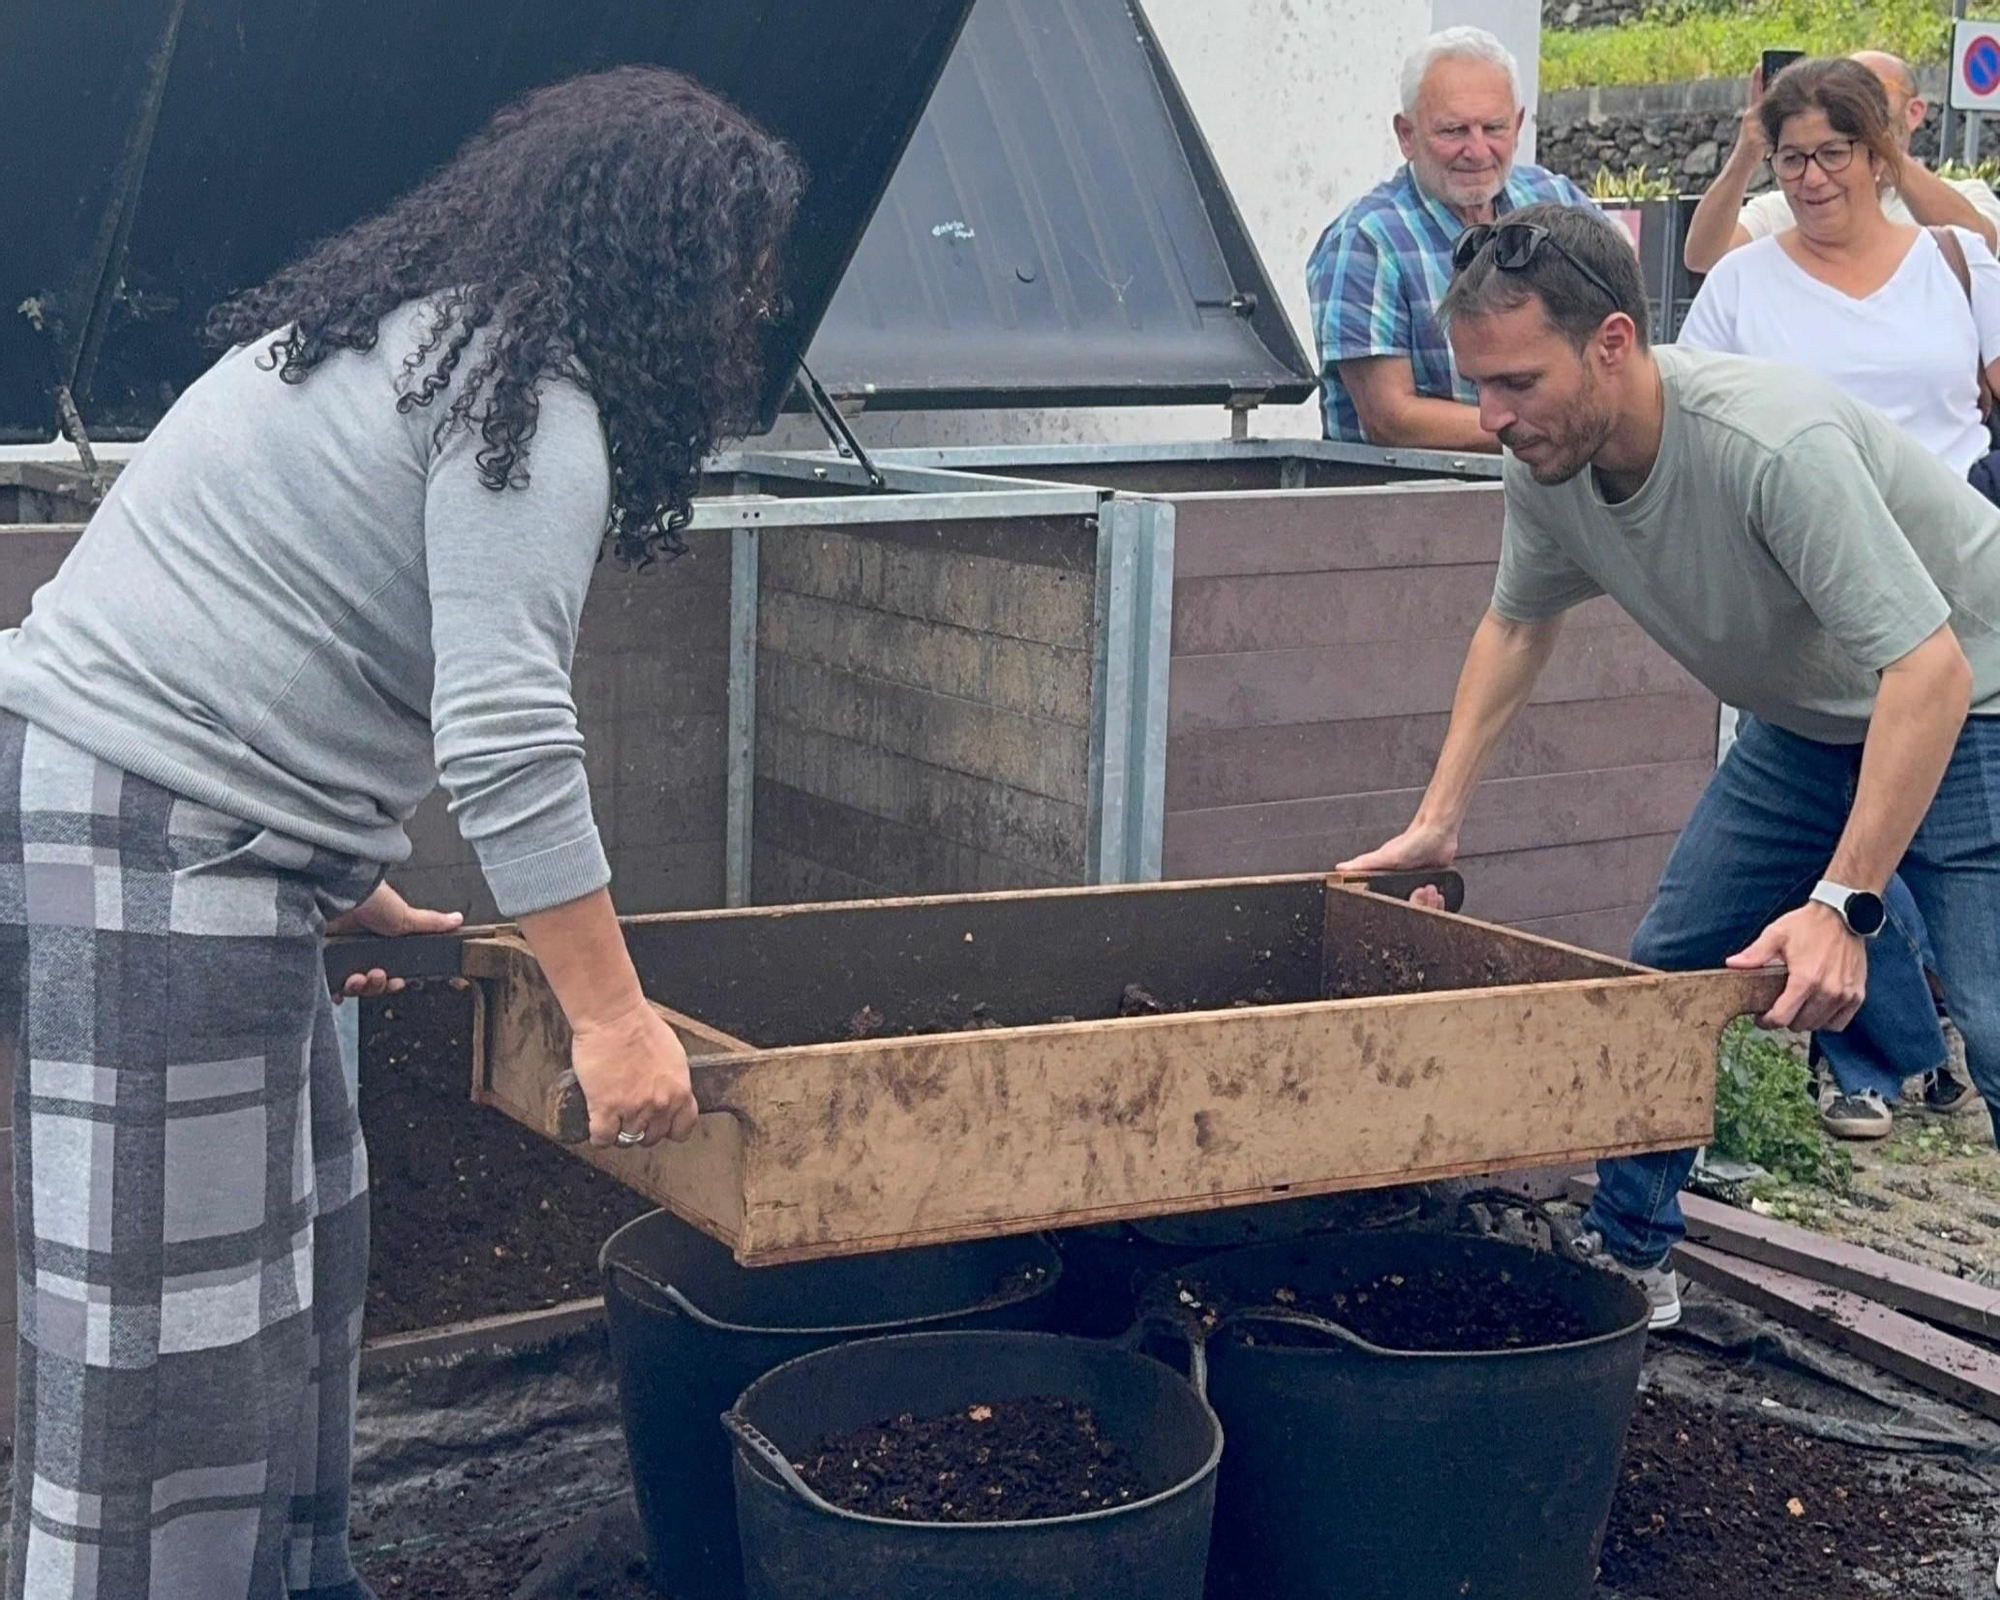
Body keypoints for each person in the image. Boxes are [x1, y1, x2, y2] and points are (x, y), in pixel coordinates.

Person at [0, 67, 802, 1600]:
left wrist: (341, 871)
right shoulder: (529, 415)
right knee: (164, 1369)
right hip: (143, 846)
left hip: (168, 826)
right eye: (742, 278)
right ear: (675, 269)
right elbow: (508, 738)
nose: (748, 314)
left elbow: (264, 608)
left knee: (287, 1281)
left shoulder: (405, 343)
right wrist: (613, 1019)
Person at [1339, 199, 2000, 1330]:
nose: (1487, 416)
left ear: (1609, 342)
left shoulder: (1766, 444)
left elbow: (1925, 671)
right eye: (1477, 383)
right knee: (1668, 972)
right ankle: (1627, 1252)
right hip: (1806, 723)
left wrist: (1841, 904)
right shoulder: (1546, 463)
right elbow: (1514, 622)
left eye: (1514, 383)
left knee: (1988, 1019)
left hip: (1972, 699)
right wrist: (1437, 816)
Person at [1676, 56, 1999, 1137]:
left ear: (1872, 154)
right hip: (1809, 639)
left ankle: (1908, 1067)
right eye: (1789, 158)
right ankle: (1638, 1228)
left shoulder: (1952, 261)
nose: (1809, 179)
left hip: (1954, 620)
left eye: (1830, 154)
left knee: (1990, 998)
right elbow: (1702, 431)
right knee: (1690, 936)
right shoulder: (1741, 282)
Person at [1306, 24, 1594, 448]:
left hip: (1556, 489)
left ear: (1517, 125)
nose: (1477, 151)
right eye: (1454, 131)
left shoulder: (1558, 201)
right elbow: (1391, 419)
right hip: (1415, 503)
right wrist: (1551, 429)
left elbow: (1616, 336)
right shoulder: (1366, 241)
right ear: (1407, 135)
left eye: (1493, 128)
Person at [1683, 49, 2000, 276]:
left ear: (1915, 111)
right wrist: (1746, 154)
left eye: (1870, 87)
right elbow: (1702, 256)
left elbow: (1978, 249)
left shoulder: (1967, 195)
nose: (1852, 98)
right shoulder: (1788, 205)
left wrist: (1881, 152)